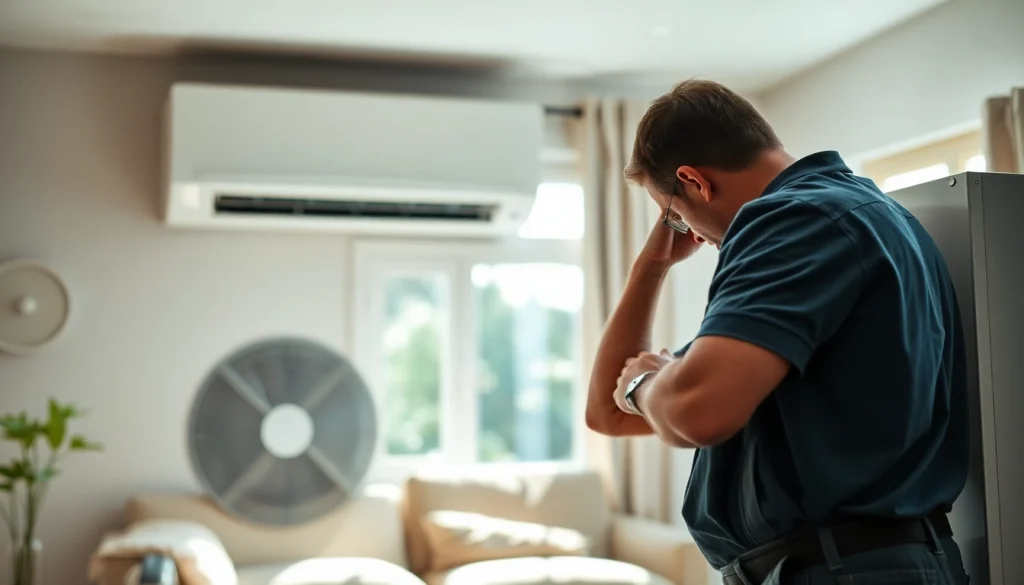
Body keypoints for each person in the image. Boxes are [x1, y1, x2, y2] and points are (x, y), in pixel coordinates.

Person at [585, 79, 971, 585]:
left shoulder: (797, 219)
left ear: (694, 181)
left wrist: (645, 384)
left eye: (676, 217)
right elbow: (609, 415)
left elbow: (694, 410)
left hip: (843, 569)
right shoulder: (841, 219)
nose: (693, 236)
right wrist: (652, 264)